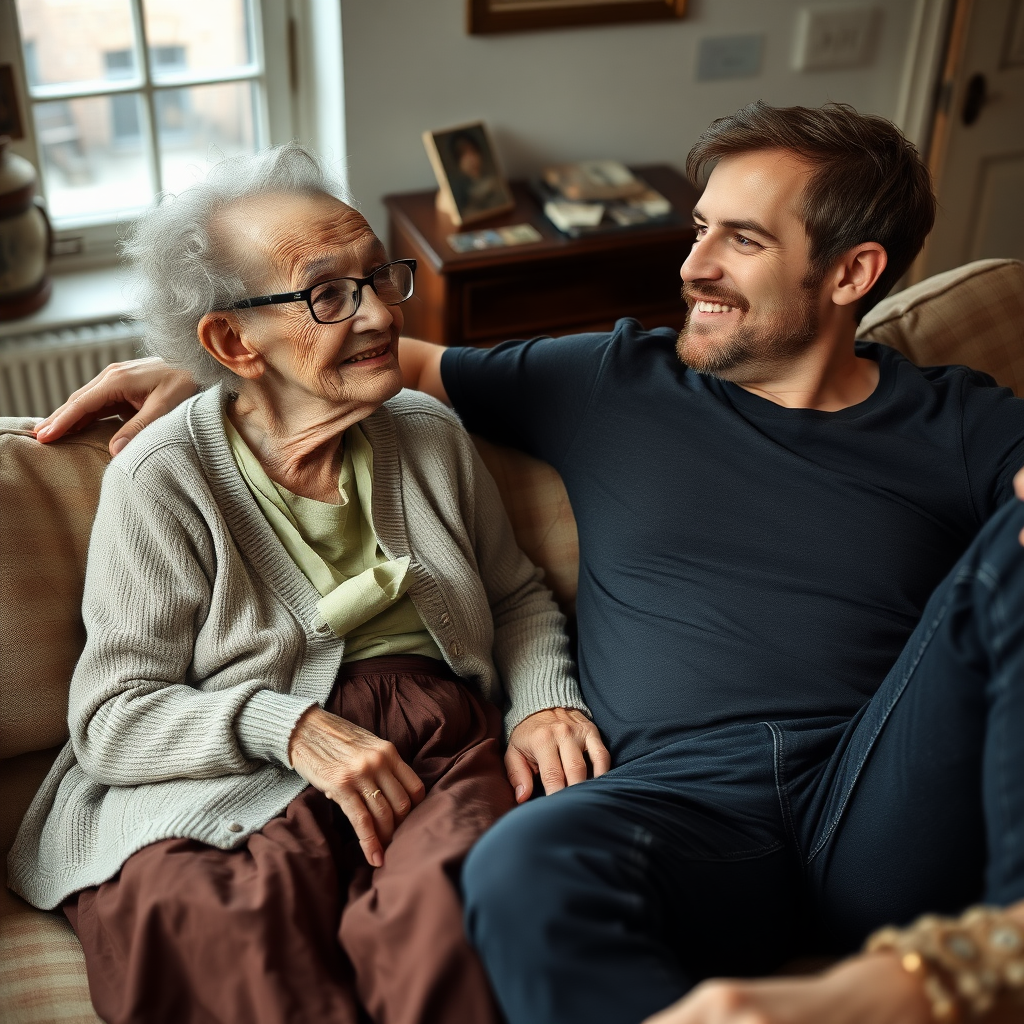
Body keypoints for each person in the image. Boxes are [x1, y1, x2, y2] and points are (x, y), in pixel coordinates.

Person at [31, 102, 1024, 1023]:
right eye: (698, 230)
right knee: (514, 865)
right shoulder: (611, 379)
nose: (692, 267)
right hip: (673, 811)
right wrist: (217, 364)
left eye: (742, 240)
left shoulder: (961, 423)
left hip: (881, 790)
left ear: (851, 275)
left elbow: (393, 384)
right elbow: (389, 361)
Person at [7, 142, 610, 1024]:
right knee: (219, 934)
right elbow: (111, 717)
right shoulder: (164, 480)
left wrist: (546, 700)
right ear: (230, 341)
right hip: (232, 752)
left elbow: (513, 595)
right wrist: (285, 726)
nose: (376, 316)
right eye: (327, 293)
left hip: (436, 740)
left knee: (456, 917)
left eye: (380, 277)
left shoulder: (428, 435)